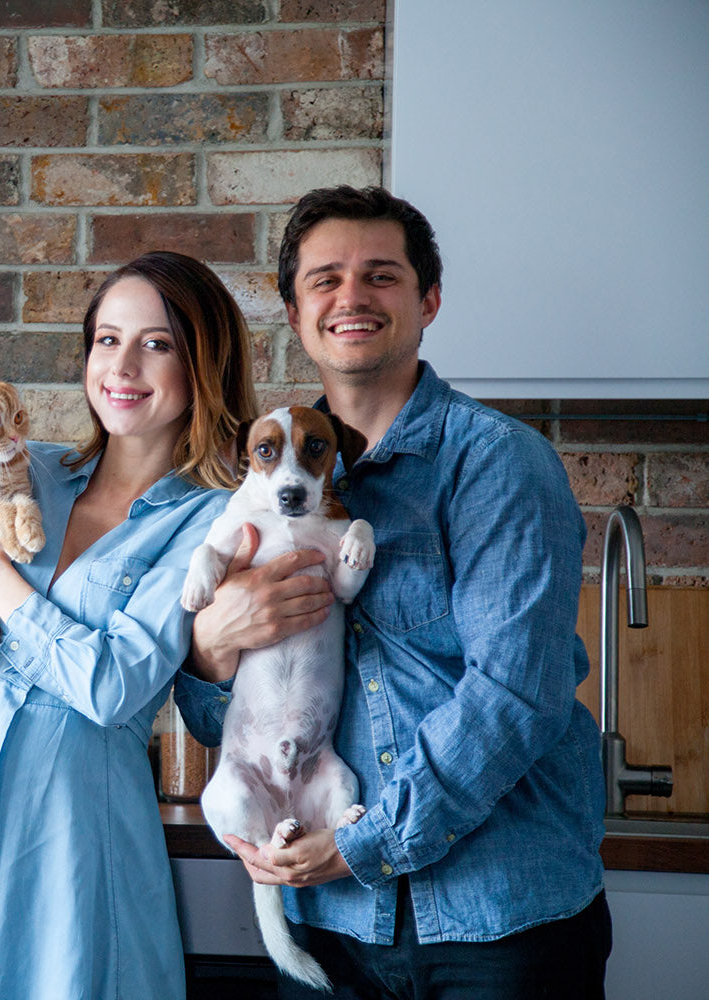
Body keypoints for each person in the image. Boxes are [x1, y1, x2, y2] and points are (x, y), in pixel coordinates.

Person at [175, 185, 611, 998]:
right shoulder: (262, 494)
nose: (352, 297)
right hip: (331, 918)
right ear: (296, 311)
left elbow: (516, 694)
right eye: (325, 279)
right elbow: (219, 717)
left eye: (381, 276)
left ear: (429, 300)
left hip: (496, 918)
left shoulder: (497, 464)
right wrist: (209, 648)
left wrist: (367, 840)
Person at [0, 251, 259, 1000]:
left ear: (206, 362)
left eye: (157, 343)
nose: (123, 366)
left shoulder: (212, 521)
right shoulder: (21, 470)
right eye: (107, 338)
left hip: (69, 847)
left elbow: (110, 687)